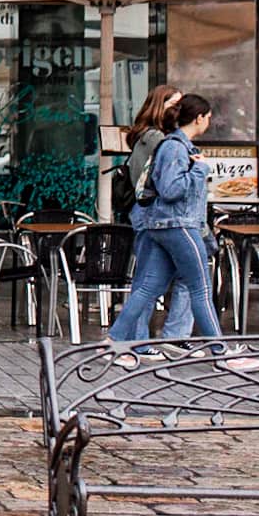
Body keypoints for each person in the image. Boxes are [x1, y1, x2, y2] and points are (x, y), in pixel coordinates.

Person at [107, 93, 240, 363]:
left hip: (166, 223)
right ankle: (221, 352)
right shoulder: (174, 146)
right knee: (200, 288)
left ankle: (115, 340)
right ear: (199, 118)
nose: (209, 123)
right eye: (208, 118)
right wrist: (200, 170)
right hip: (178, 224)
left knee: (148, 287)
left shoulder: (175, 146)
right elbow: (170, 189)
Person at [115, 85, 195, 344]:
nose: (181, 111)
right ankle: (143, 339)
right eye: (176, 105)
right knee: (153, 280)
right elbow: (164, 185)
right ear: (162, 107)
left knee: (162, 278)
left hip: (151, 214)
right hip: (156, 214)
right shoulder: (159, 140)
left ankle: (147, 338)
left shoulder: (151, 137)